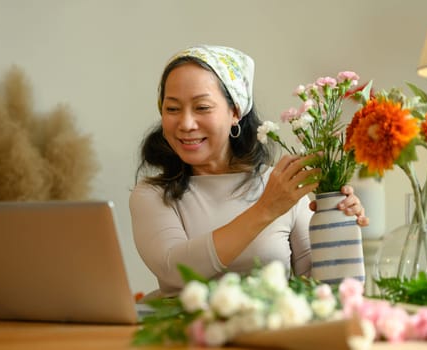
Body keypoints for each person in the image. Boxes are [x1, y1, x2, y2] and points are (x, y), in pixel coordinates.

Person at [129, 45, 368, 297]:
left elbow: (326, 290)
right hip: (183, 334)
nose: (186, 124)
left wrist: (341, 223)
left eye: (202, 107)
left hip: (274, 332)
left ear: (235, 111)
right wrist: (266, 209)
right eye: (172, 109)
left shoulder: (279, 185)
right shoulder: (152, 195)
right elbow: (175, 270)